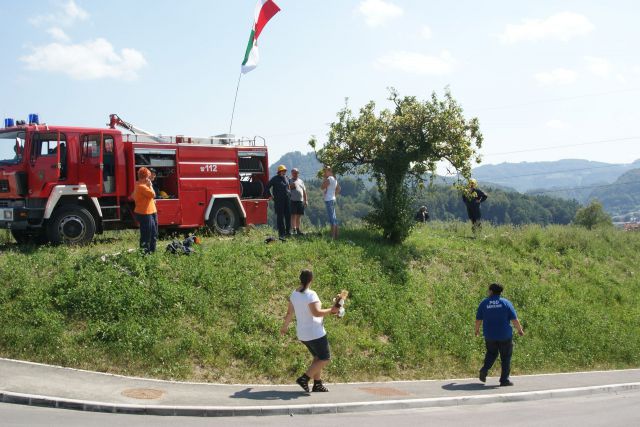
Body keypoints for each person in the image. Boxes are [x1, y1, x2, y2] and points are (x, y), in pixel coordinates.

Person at [281, 270, 339, 392]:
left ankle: (317, 384)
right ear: (311, 280)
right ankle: (304, 378)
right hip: (315, 332)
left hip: (302, 334)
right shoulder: (311, 294)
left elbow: (289, 312)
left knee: (317, 357)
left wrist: (284, 327)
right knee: (325, 358)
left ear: (300, 279)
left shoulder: (294, 294)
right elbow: (316, 313)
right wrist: (331, 310)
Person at [475, 283, 524, 387]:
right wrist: (520, 330)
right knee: (506, 357)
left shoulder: (484, 303)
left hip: (490, 335)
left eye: (488, 290)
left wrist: (477, 330)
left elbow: (478, 319)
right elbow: (514, 319)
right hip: (504, 335)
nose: (488, 292)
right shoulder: (506, 303)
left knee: (491, 353)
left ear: (491, 291)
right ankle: (504, 380)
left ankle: (484, 370)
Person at [132, 167, 158, 253]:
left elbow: (134, 196)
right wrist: (150, 186)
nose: (149, 178)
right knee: (147, 235)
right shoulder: (142, 186)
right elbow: (153, 194)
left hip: (151, 212)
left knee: (153, 234)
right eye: (148, 176)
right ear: (146, 177)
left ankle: (151, 252)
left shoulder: (138, 184)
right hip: (145, 213)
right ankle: (145, 254)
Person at [266, 164, 292, 240]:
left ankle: (288, 232)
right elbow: (267, 187)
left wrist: (289, 193)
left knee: (288, 216)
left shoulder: (287, 178)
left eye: (285, 171)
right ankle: (281, 234)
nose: (284, 172)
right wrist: (270, 195)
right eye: (283, 171)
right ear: (279, 172)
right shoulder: (274, 179)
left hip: (287, 200)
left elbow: (288, 187)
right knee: (280, 217)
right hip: (279, 201)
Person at [321, 166, 340, 239]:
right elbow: (339, 189)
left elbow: (322, 187)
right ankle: (336, 236)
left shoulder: (329, 178)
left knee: (332, 219)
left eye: (325, 171)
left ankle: (332, 237)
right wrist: (333, 195)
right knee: (334, 218)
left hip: (329, 200)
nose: (324, 173)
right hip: (332, 199)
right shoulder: (335, 179)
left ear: (329, 171)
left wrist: (325, 178)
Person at [289, 168, 307, 235]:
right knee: (293, 215)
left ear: (298, 173)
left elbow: (304, 191)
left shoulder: (301, 181)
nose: (295, 174)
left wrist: (306, 200)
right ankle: (293, 229)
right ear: (292, 173)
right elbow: (286, 189)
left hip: (300, 200)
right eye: (294, 173)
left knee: (299, 215)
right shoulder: (289, 180)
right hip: (292, 200)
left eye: (296, 173)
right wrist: (291, 186)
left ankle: (298, 229)